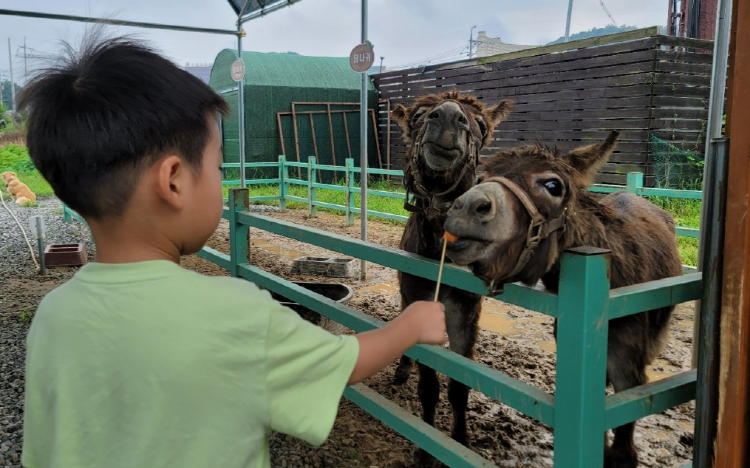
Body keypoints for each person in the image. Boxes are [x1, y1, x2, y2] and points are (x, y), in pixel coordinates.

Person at [18, 34, 446, 468]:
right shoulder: (237, 314)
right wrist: (408, 327)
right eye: (218, 165)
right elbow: (340, 362)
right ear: (174, 182)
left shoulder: (54, 315)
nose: (222, 180)